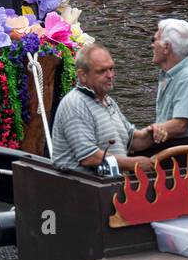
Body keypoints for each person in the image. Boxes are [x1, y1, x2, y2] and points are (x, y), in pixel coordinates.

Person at [50, 43, 156, 174]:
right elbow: (89, 157)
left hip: (112, 187)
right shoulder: (75, 103)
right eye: (102, 71)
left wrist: (153, 133)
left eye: (111, 69)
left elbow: (133, 140)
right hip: (82, 189)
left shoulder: (108, 101)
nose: (110, 75)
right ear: (82, 75)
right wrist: (133, 164)